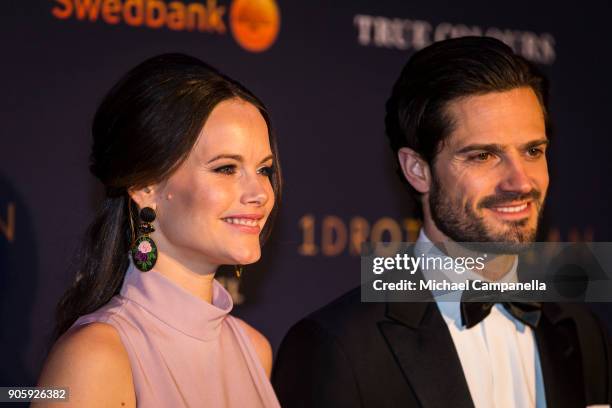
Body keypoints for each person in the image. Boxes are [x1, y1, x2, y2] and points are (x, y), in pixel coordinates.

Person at [272, 37, 611, 407]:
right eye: (483, 156)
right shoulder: (337, 345)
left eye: (533, 151)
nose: (521, 182)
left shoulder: (580, 330)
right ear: (418, 170)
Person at [35, 53, 282, 407]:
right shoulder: (96, 356)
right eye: (227, 168)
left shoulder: (255, 350)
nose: (260, 193)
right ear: (145, 186)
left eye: (263, 169)